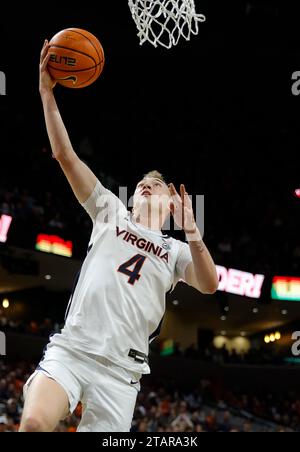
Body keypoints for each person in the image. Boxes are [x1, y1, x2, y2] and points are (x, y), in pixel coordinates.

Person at [19, 40, 218, 432]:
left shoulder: (175, 248)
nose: (146, 186)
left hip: (121, 375)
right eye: (143, 183)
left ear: (173, 203)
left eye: (156, 185)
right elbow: (65, 154)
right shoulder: (110, 212)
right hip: (73, 350)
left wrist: (193, 231)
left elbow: (210, 284)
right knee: (35, 424)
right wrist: (46, 93)